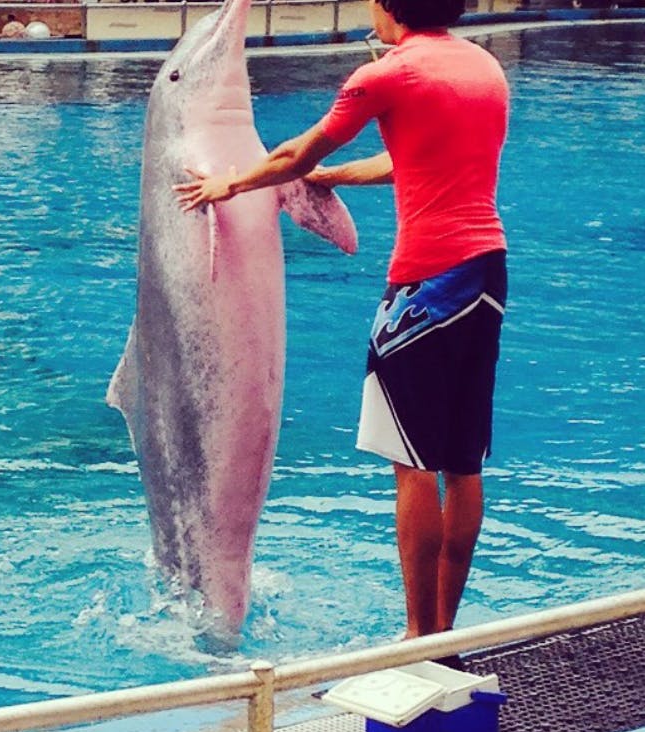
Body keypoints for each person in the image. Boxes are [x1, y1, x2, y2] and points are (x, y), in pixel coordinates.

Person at [174, 0, 509, 644]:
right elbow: (405, 162)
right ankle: (443, 629)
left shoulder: (384, 75)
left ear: (389, 7)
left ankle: (416, 636)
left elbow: (296, 152)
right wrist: (334, 178)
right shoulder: (483, 68)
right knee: (463, 464)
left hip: (425, 287)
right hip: (487, 278)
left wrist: (231, 185)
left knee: (411, 462)